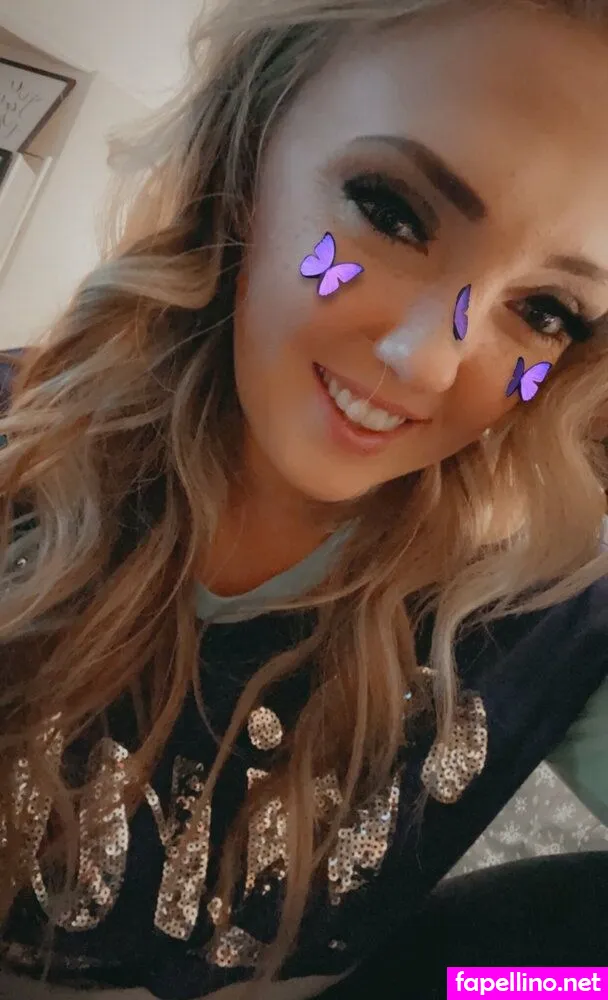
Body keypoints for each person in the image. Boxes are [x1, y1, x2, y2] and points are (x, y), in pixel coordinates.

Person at [0, 0, 607, 998]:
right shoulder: (18, 457)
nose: (427, 360)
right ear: (247, 155)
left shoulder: (546, 606)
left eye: (544, 310)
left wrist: (513, 987)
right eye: (393, 211)